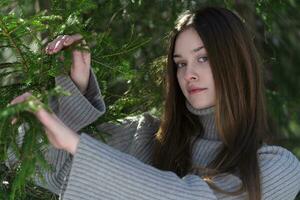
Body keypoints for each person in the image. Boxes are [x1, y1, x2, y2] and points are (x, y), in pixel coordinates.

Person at [7, 6, 300, 200]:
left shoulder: (277, 170)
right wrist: (74, 89)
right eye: (180, 63)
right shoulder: (145, 137)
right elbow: (52, 172)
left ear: (237, 63)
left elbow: (192, 197)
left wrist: (76, 144)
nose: (189, 73)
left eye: (203, 58)